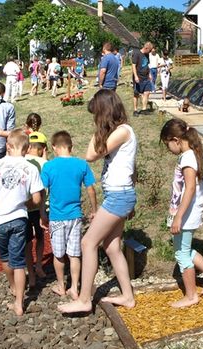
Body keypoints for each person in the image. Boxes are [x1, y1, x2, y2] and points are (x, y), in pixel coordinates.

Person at [58, 89, 137, 314]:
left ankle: (84, 300)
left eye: (96, 114)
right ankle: (128, 296)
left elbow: (91, 154)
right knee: (112, 247)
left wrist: (99, 127)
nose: (94, 119)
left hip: (119, 196)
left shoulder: (123, 131)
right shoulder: (121, 132)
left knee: (87, 243)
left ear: (104, 112)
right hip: (120, 195)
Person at [0, 130, 47, 316]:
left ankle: (13, 286)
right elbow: (37, 199)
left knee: (5, 258)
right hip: (20, 219)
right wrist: (21, 202)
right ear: (27, 148)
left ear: (8, 146)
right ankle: (20, 303)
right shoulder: (31, 168)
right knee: (19, 261)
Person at [160, 119, 203, 307]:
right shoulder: (198, 155)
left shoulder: (188, 157)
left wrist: (178, 216)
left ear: (176, 140)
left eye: (167, 144)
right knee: (184, 249)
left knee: (181, 254)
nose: (168, 149)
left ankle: (190, 295)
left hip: (186, 214)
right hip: (191, 212)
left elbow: (189, 189)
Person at [42, 131, 97, 300]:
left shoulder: (48, 167)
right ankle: (74, 287)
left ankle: (61, 285)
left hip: (57, 217)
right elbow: (90, 189)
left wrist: (41, 212)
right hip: (75, 216)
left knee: (59, 254)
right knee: (74, 254)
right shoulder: (81, 165)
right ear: (71, 147)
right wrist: (95, 209)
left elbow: (42, 192)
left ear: (54, 148)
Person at [24, 131, 48, 288]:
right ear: (43, 148)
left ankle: (30, 271)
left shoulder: (20, 160)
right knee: (39, 237)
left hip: (23, 208)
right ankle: (39, 265)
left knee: (26, 241)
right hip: (39, 207)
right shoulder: (43, 163)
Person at [131, 41, 153, 117]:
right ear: (146, 48)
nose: (150, 52)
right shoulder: (137, 54)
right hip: (138, 77)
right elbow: (133, 66)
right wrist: (136, 76)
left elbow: (147, 65)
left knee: (147, 92)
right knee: (136, 94)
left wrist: (149, 74)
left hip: (146, 77)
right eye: (149, 50)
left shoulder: (147, 55)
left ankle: (144, 109)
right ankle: (135, 110)